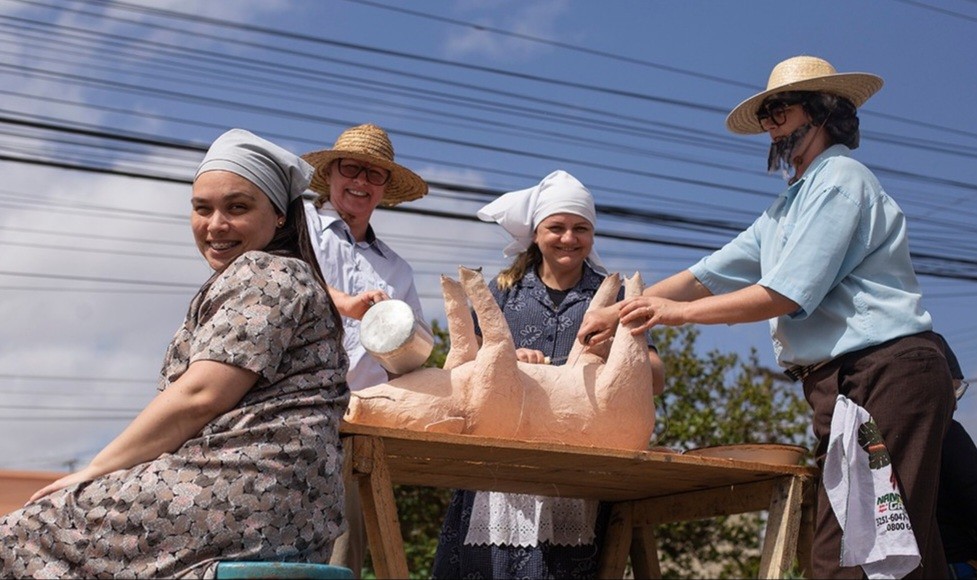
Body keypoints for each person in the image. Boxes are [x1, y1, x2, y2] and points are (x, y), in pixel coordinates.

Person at [578, 55, 956, 579]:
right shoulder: (783, 211)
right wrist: (623, 311)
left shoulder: (842, 178)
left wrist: (674, 314)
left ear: (822, 111)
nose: (771, 124)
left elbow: (784, 292)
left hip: (885, 373)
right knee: (888, 546)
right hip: (844, 386)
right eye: (766, 115)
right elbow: (707, 273)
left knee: (863, 553)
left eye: (780, 110)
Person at [0, 129, 349, 578]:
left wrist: (92, 471)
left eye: (237, 207)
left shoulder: (267, 271)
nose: (215, 224)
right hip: (287, 507)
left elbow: (200, 395)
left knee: (21, 536)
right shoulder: (274, 276)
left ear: (279, 216)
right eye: (202, 209)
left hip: (247, 489)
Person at [431, 169, 665, 579]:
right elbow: (462, 368)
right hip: (501, 462)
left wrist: (614, 352)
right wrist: (503, 359)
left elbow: (657, 378)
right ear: (536, 234)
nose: (568, 238)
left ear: (592, 235)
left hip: (579, 467)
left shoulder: (614, 298)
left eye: (581, 228)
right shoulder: (504, 290)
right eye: (556, 228)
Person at [301, 123, 429, 578]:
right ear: (331, 174)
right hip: (292, 410)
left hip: (357, 424)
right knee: (270, 541)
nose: (360, 181)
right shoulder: (299, 226)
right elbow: (281, 283)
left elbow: (415, 354)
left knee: (339, 555)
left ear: (385, 188)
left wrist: (404, 340)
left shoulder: (397, 268)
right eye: (351, 168)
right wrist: (344, 303)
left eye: (374, 175)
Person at [937, 337, 977, 579]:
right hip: (959, 564)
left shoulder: (876, 436)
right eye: (954, 390)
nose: (955, 404)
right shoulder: (948, 432)